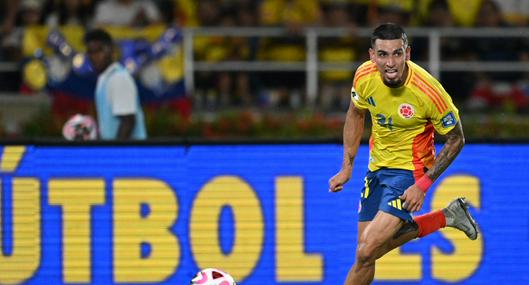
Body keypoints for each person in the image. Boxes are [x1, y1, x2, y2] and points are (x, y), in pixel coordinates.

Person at [328, 23, 478, 285]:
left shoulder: (428, 91)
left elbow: (456, 139)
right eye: (383, 55)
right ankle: (447, 216)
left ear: (407, 54)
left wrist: (422, 184)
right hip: (377, 168)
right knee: (366, 255)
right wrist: (347, 166)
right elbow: (355, 113)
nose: (390, 62)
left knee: (366, 251)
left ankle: (446, 216)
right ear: (372, 56)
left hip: (410, 171)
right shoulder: (364, 76)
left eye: (397, 53)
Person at [84, 28, 147, 140]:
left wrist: (113, 154)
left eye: (99, 50)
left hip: (129, 156)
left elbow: (128, 122)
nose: (95, 57)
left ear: (112, 50)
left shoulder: (119, 78)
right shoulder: (104, 79)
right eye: (91, 52)